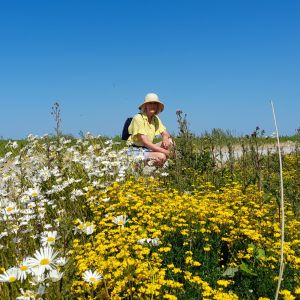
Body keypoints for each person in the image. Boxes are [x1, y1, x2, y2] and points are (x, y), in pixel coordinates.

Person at [127, 92, 173, 165]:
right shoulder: (138, 118)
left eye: (155, 103)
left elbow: (166, 133)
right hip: (136, 150)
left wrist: (165, 138)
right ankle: (146, 170)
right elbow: (145, 142)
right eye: (150, 103)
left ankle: (161, 167)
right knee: (161, 156)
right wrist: (165, 151)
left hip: (147, 149)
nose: (152, 105)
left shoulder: (155, 118)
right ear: (145, 106)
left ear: (157, 106)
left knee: (171, 142)